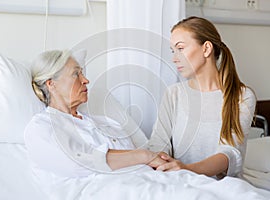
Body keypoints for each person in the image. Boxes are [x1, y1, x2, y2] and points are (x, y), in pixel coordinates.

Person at [24, 49, 166, 180]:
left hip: (156, 180)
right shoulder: (42, 127)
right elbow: (79, 164)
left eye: (82, 73)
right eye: (76, 74)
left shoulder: (107, 123)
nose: (85, 80)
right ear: (51, 84)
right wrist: (144, 156)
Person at [148, 16, 256, 178]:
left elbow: (230, 153)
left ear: (206, 49)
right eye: (173, 50)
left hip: (223, 187)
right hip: (178, 182)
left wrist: (187, 169)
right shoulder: (173, 94)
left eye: (181, 48)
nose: (174, 58)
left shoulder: (241, 96)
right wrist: (165, 164)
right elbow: (158, 143)